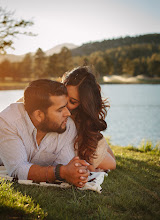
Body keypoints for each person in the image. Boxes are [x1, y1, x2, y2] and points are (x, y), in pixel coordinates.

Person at [0, 79, 90, 187]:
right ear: (39, 115)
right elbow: (18, 170)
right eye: (60, 109)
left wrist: (76, 172)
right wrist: (60, 172)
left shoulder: (67, 125)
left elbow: (65, 166)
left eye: (66, 106)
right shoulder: (8, 121)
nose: (68, 113)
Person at [62, 66, 116, 171]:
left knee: (111, 159)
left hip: (83, 133)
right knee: (111, 163)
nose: (65, 104)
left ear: (83, 104)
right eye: (64, 95)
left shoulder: (80, 117)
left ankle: (97, 140)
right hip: (72, 143)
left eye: (72, 102)